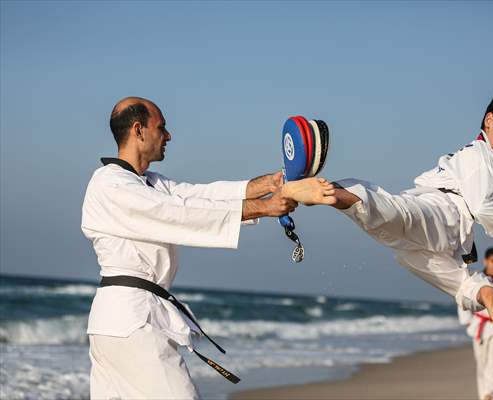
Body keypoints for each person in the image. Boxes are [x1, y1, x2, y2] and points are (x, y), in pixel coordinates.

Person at [81, 97, 335, 399]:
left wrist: (267, 184)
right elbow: (177, 213)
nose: (168, 136)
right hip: (132, 323)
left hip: (117, 324)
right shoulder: (110, 184)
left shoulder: (149, 182)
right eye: (161, 127)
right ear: (139, 130)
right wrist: (264, 208)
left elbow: (199, 197)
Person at [302, 93, 493, 337]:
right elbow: (482, 208)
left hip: (445, 226)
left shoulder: (476, 154)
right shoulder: (481, 155)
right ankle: (326, 192)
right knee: (400, 220)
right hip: (443, 213)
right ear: (489, 120)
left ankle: (325, 192)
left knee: (392, 217)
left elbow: (478, 207)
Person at [458, 247, 493, 400]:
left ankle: (489, 395)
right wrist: (468, 322)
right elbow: (463, 298)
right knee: (482, 366)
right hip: (479, 327)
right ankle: (483, 396)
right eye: (492, 261)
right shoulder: (476, 278)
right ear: (485, 261)